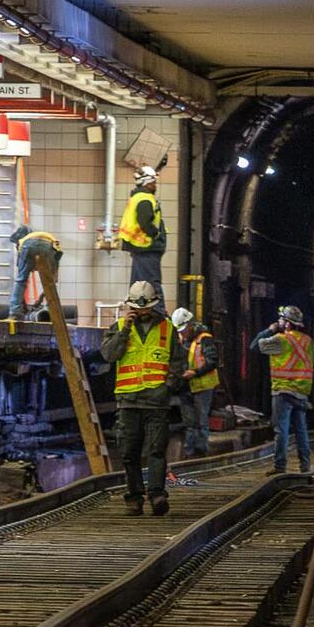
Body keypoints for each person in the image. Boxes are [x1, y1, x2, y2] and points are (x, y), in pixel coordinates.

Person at [97, 280, 182, 515]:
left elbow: (177, 361)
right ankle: (133, 498)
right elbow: (109, 355)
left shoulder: (167, 328)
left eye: (145, 307)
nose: (142, 311)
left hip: (157, 401)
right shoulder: (119, 327)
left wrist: (168, 387)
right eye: (137, 307)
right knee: (128, 452)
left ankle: (157, 496)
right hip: (129, 400)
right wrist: (125, 331)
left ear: (153, 305)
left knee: (156, 450)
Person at [254, 303, 314, 475]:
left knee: (281, 430)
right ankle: (305, 466)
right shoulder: (307, 341)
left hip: (283, 391)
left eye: (281, 319)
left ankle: (280, 466)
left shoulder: (280, 340)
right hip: (301, 392)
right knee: (301, 430)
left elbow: (255, 345)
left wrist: (271, 330)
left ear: (287, 323)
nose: (279, 321)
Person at [112, 163, 166, 297]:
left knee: (138, 285)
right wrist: (156, 235)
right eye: (153, 182)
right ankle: (158, 314)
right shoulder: (145, 199)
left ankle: (138, 312)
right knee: (152, 286)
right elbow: (145, 223)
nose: (155, 185)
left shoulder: (136, 198)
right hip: (146, 247)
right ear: (147, 183)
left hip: (139, 249)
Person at [174, 307, 220, 457]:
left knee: (201, 422)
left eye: (183, 329)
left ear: (190, 325)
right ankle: (189, 454)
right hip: (185, 387)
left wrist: (195, 372)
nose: (181, 333)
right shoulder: (181, 339)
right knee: (189, 423)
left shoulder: (204, 338)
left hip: (202, 386)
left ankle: (201, 452)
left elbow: (212, 361)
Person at [12, 224, 65, 318]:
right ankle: (50, 310)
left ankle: (15, 311)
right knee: (51, 282)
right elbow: (52, 282)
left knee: (21, 280)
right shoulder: (48, 242)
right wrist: (40, 300)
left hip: (29, 246)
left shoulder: (22, 243)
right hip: (50, 246)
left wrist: (22, 307)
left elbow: (21, 281)